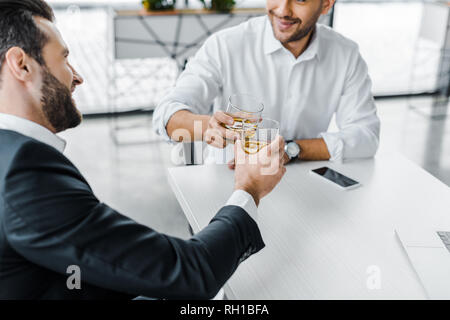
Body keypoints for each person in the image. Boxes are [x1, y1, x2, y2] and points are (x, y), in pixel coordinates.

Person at [0, 0, 286, 299]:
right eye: (64, 58)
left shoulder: (12, 156)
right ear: (21, 64)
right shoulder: (25, 173)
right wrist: (249, 186)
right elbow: (190, 272)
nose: (77, 76)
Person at [153, 0, 380, 166]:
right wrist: (206, 126)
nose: (283, 10)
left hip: (302, 186)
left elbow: (366, 136)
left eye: (300, 0)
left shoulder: (346, 55)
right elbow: (166, 113)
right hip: (227, 183)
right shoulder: (226, 45)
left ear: (326, 5)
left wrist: (292, 149)